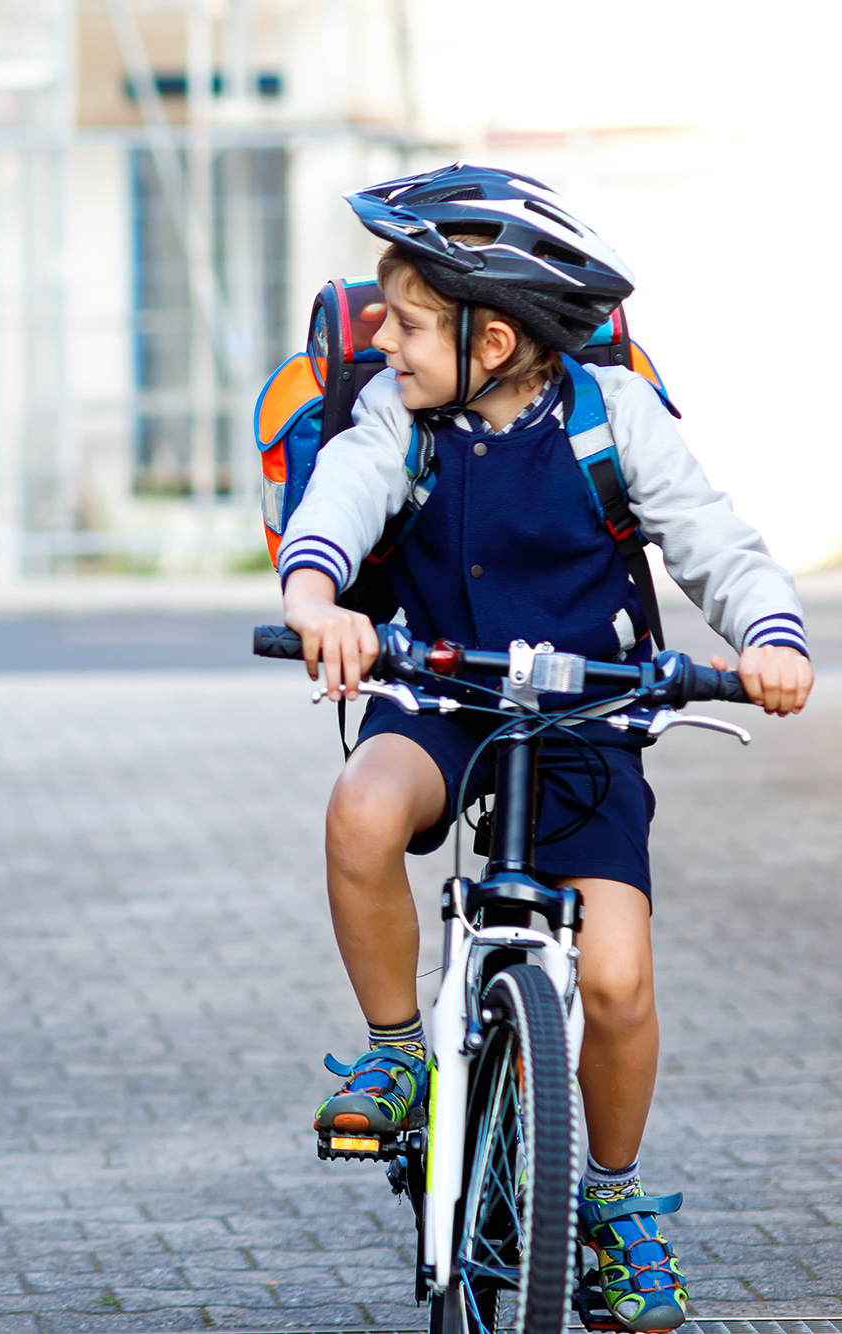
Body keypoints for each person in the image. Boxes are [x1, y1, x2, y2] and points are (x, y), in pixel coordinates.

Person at [277, 164, 813, 1334]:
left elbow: (712, 538)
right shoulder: (394, 419)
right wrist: (316, 595)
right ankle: (394, 1054)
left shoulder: (607, 415)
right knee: (359, 810)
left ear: (494, 336)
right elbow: (339, 498)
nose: (381, 336)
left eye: (408, 320)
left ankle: (613, 1205)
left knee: (615, 980)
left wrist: (768, 635)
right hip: (441, 691)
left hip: (586, 716)